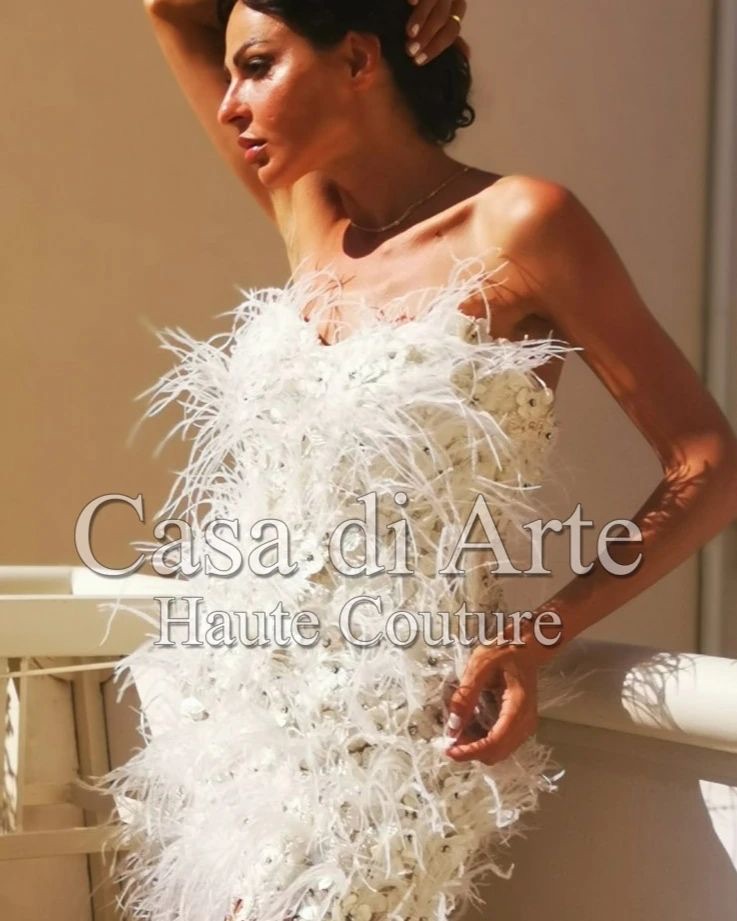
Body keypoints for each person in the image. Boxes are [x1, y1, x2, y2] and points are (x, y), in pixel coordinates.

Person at [98, 2, 737, 919]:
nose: (230, 102)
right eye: (231, 72)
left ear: (359, 59)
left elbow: (708, 464)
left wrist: (537, 636)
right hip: (237, 718)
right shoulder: (311, 215)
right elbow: (169, 7)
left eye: (259, 67)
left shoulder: (520, 224)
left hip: (394, 731)